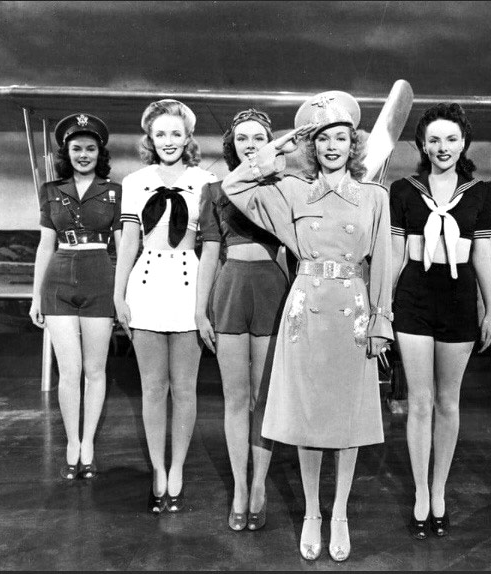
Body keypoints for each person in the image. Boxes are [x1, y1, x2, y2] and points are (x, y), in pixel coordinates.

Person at [221, 91, 392, 562]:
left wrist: (381, 321)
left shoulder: (374, 197)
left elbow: (383, 262)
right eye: (322, 139)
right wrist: (275, 148)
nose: (332, 147)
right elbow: (234, 185)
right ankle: (313, 512)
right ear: (311, 146)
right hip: (306, 308)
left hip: (353, 311)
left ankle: (340, 513)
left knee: (349, 416)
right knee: (308, 415)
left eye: (341, 138)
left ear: (353, 144)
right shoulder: (293, 190)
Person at [389, 103, 491, 539]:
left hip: (459, 298)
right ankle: (419, 492)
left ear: (464, 142)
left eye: (451, 138)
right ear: (422, 145)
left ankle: (439, 491)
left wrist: (490, 309)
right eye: (433, 139)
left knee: (448, 402)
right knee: (419, 401)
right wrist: (383, 307)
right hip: (414, 297)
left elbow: (484, 256)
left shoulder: (480, 194)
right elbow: (395, 254)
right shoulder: (403, 190)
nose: (442, 147)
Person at [113, 99, 216, 513]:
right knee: (153, 388)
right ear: (150, 139)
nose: (168, 141)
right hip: (146, 287)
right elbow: (128, 243)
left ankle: (177, 469)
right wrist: (119, 295)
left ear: (188, 137)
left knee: (185, 389)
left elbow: (212, 246)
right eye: (160, 134)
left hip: (189, 288)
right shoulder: (135, 182)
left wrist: (204, 306)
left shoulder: (206, 180)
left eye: (176, 133)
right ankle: (158, 469)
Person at [196, 108, 289, 531]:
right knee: (235, 400)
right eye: (242, 138)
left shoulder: (283, 188)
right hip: (230, 290)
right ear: (231, 145)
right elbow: (209, 253)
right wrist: (200, 309)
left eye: (258, 138)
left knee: (262, 399)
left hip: (272, 291)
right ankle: (238, 487)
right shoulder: (214, 190)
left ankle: (259, 487)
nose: (250, 145)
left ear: (270, 143)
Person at [30, 113, 121, 481]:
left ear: (100, 153)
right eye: (77, 148)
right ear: (66, 153)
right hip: (59, 282)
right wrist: (35, 297)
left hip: (100, 279)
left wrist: (121, 295)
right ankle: (72, 443)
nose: (84, 154)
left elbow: (122, 248)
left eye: (91, 148)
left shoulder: (115, 191)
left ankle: (89, 444)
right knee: (69, 371)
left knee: (96, 370)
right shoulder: (50, 190)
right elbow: (44, 245)